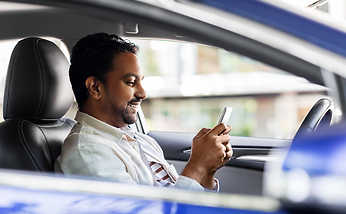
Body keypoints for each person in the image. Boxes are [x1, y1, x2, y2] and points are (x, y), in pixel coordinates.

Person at [55, 33, 232, 192]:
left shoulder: (142, 141)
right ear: (95, 88)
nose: (143, 93)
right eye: (131, 82)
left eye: (141, 82)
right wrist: (197, 166)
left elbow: (178, 197)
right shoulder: (88, 152)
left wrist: (207, 172)